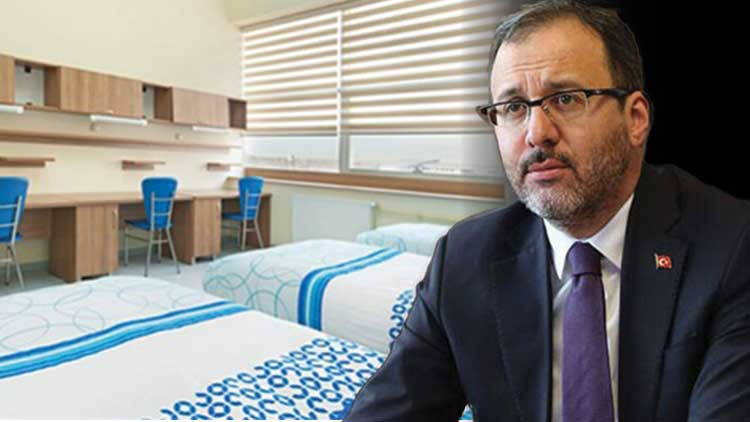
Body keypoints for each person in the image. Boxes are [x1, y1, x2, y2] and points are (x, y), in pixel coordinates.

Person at [344, 1, 750, 421]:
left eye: (567, 98)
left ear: (635, 118)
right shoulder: (464, 258)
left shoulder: (732, 245)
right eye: (513, 108)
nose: (537, 133)